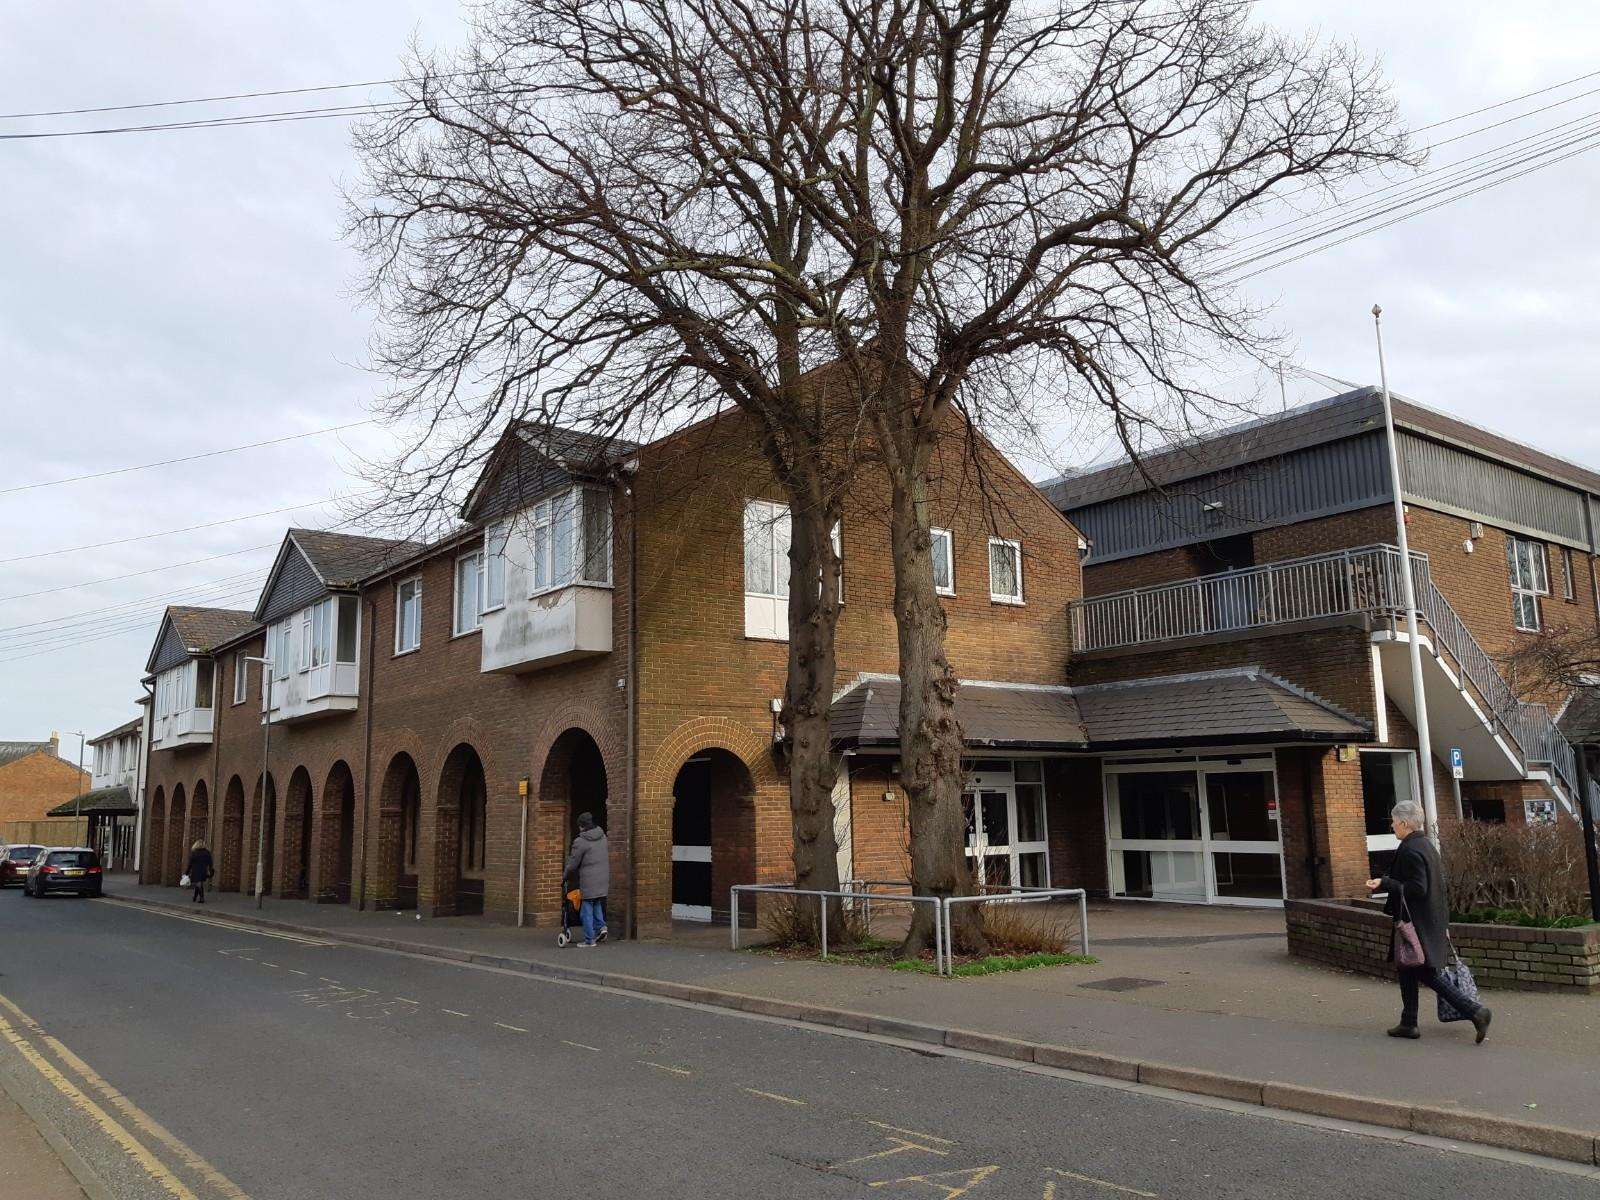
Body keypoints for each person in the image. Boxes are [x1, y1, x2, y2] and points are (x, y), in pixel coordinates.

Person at [1366, 800, 1492, 1044]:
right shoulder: (1425, 845)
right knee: (1407, 968)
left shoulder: (1411, 849)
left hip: (1417, 923)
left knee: (1424, 972)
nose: (1392, 826)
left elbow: (1418, 888)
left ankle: (1475, 1011)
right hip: (1428, 920)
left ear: (1404, 823)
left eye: (1394, 822)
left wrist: (1385, 883)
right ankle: (1408, 1022)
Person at [563, 812, 609, 947]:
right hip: (603, 878)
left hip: (589, 880)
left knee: (586, 908)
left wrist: (565, 876)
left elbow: (573, 863)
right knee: (596, 902)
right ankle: (601, 927)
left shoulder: (581, 841)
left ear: (582, 826)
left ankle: (589, 940)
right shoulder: (603, 836)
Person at [185, 840, 214, 904]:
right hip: (203, 870)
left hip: (196, 871)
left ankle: (202, 898)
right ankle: (195, 897)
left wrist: (187, 872)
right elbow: (210, 863)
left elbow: (190, 864)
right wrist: (211, 871)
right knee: (199, 884)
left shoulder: (194, 853)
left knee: (198, 884)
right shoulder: (207, 852)